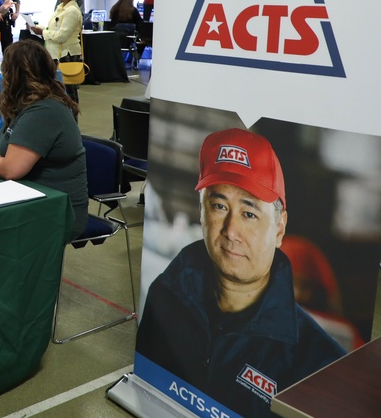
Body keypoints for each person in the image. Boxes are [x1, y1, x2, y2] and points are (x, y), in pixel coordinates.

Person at [136, 128, 345, 418]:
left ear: (279, 228)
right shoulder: (167, 293)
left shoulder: (319, 365)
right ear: (201, 212)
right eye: (219, 206)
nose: (231, 230)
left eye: (249, 213)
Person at [0, 40, 86, 242]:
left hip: (56, 211)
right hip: (28, 198)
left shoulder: (44, 110)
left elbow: (11, 169)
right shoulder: (25, 104)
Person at [28, 0, 88, 103]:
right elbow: (54, 29)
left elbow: (61, 35)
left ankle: (72, 120)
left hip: (67, 56)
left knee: (69, 94)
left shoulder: (72, 11)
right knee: (57, 93)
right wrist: (38, 28)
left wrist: (43, 32)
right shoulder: (61, 8)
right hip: (55, 55)